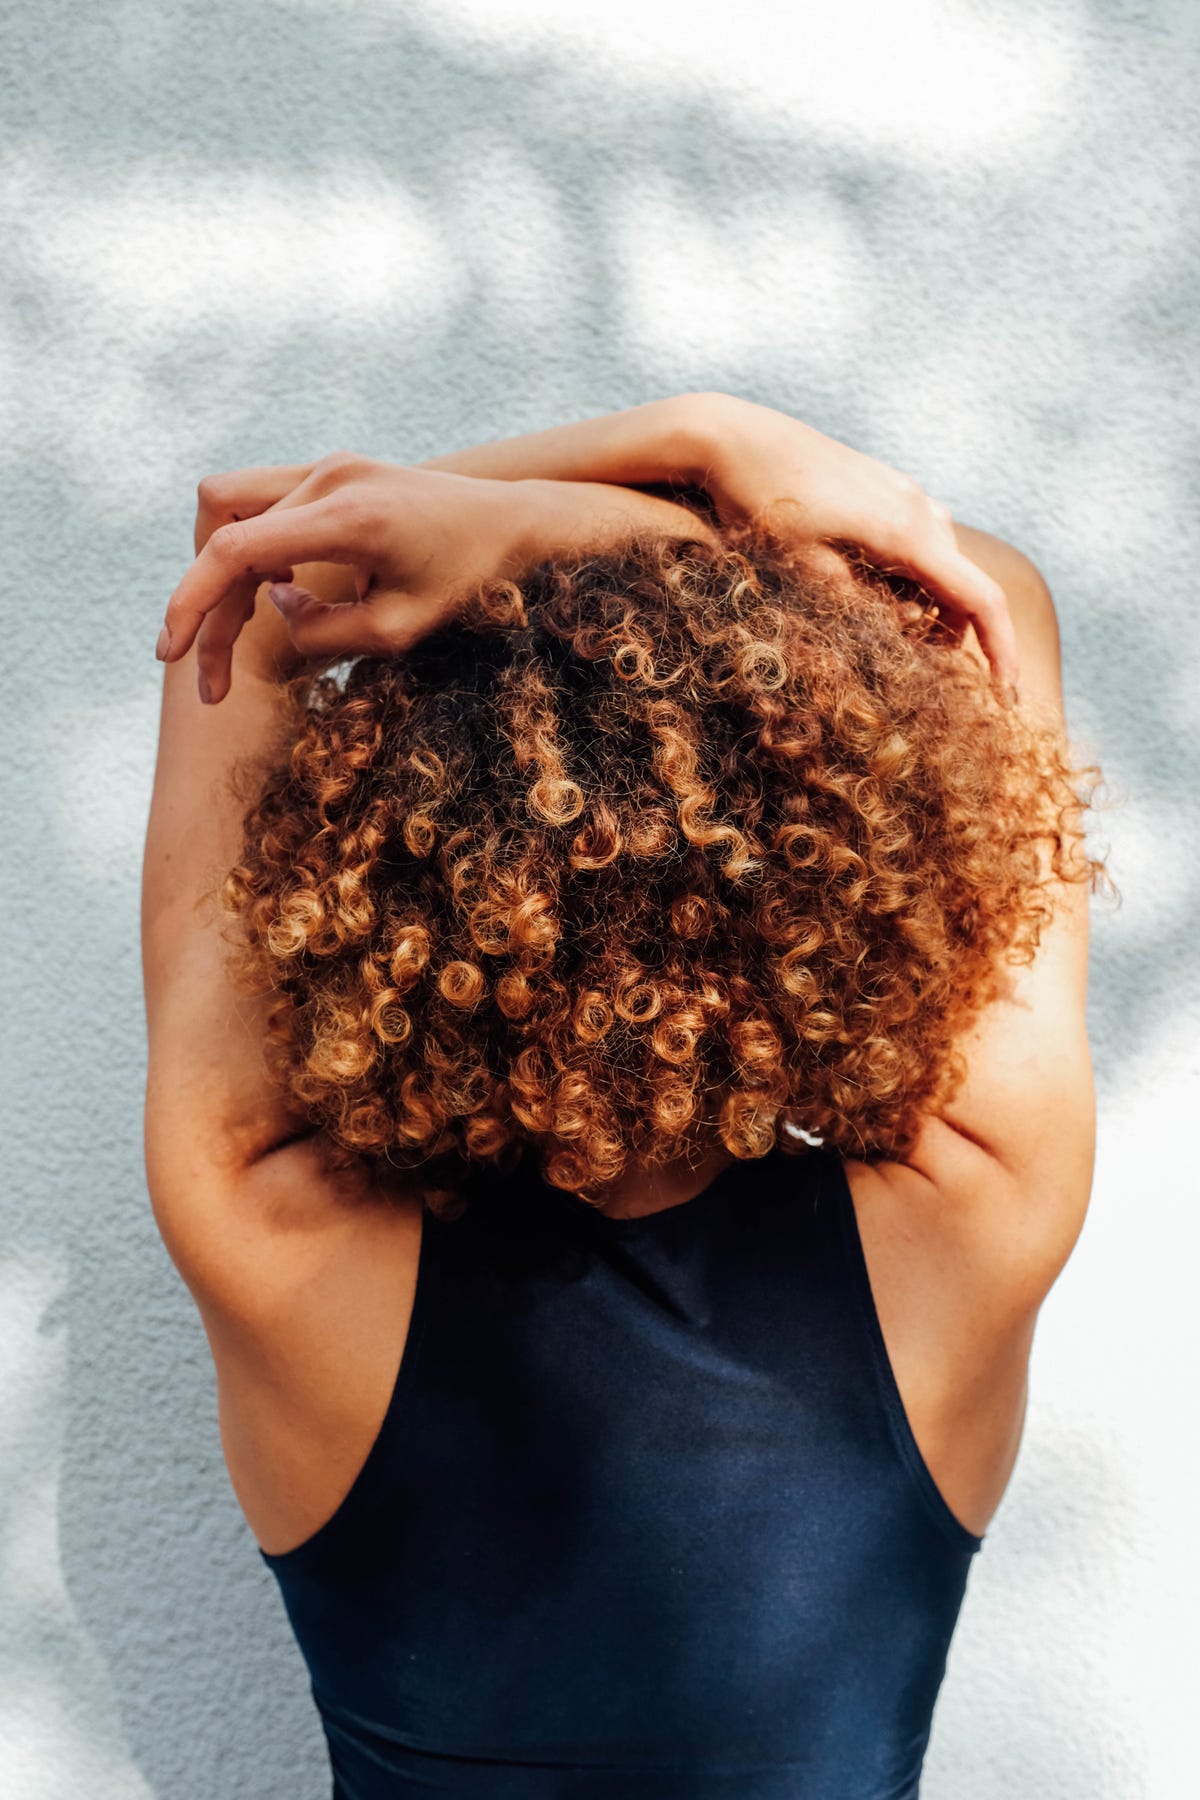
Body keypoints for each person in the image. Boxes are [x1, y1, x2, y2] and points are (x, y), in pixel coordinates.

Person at [141, 393, 1100, 1798]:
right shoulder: (975, 1219)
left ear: (386, 881)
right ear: (824, 886)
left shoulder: (263, 1222)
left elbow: (257, 592)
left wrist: (540, 502)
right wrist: (688, 451)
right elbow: (978, 608)